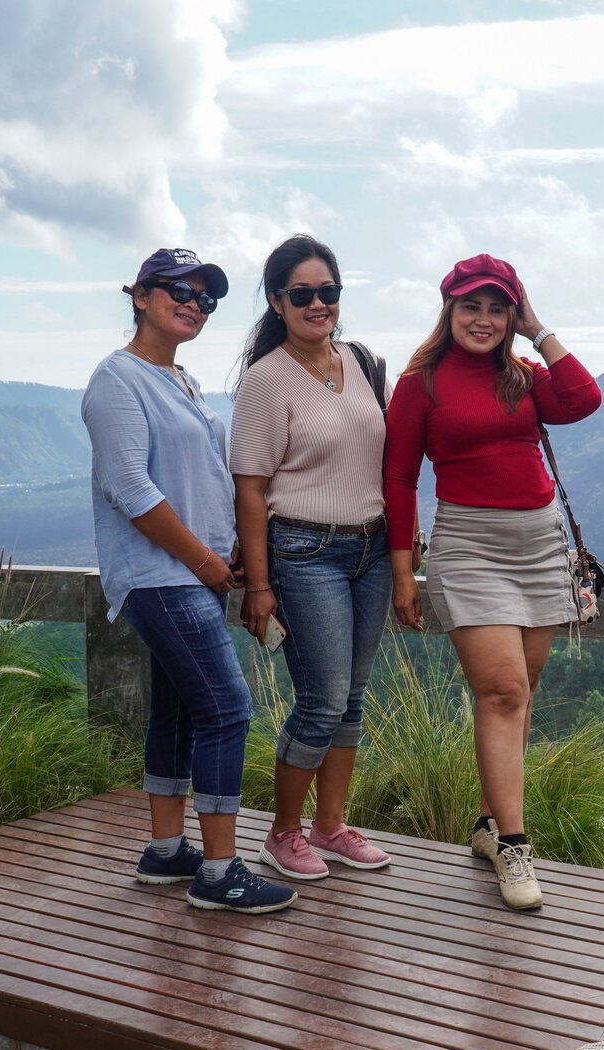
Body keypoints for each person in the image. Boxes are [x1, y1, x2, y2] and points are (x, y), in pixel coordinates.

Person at [383, 254, 602, 911]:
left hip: (538, 545)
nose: (482, 319)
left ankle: (486, 824)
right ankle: (513, 846)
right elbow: (397, 479)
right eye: (470, 306)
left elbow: (584, 398)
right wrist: (404, 571)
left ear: (512, 314)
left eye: (497, 307)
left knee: (520, 691)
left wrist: (538, 328)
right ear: (447, 310)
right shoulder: (420, 385)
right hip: (469, 546)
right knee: (503, 689)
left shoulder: (524, 374)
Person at [81, 248, 296, 915]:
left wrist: (227, 553)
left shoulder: (181, 381)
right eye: (179, 290)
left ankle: (169, 851)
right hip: (161, 576)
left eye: (207, 298)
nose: (194, 303)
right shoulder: (117, 379)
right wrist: (207, 561)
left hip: (191, 574)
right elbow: (128, 486)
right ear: (140, 295)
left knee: (177, 709)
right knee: (227, 709)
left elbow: (201, 481)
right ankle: (220, 871)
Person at [230, 234, 393, 881]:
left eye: (329, 291)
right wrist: (260, 585)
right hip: (303, 550)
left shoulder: (362, 362)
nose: (318, 302)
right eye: (303, 294)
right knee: (321, 699)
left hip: (372, 549)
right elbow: (249, 486)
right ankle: (282, 833)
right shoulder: (266, 381)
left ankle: (330, 827)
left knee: (351, 698)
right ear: (277, 300)